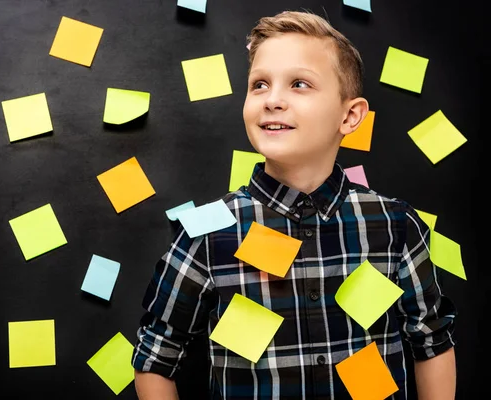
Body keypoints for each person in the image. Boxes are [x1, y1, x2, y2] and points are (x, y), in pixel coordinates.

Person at [131, 9, 457, 400]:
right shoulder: (205, 231)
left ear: (350, 116)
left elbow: (432, 341)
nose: (273, 100)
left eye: (299, 84)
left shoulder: (394, 223)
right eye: (259, 85)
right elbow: (155, 358)